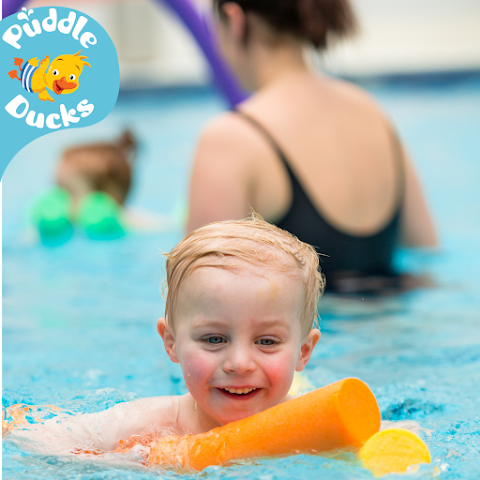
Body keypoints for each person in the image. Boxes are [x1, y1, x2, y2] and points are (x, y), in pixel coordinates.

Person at [5, 214, 323, 455]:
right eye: (214, 339)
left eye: (266, 342)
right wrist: (133, 462)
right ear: (171, 342)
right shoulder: (149, 425)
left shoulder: (317, 426)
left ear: (304, 351)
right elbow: (35, 443)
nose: (239, 364)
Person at [186, 0, 437, 293]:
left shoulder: (230, 138)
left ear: (235, 19)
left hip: (311, 334)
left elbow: (201, 295)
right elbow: (426, 250)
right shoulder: (375, 115)